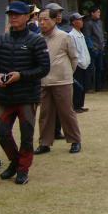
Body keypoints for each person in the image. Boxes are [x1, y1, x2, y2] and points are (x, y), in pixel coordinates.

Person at [0, 1, 50, 185]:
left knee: (27, 135)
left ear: (26, 17)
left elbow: (44, 68)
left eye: (17, 14)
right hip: (5, 96)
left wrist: (21, 76)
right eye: (11, 14)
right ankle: (15, 162)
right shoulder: (1, 40)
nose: (13, 17)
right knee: (2, 133)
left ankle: (23, 169)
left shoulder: (36, 40)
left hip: (27, 96)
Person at [35, 9, 82, 154]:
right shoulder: (37, 38)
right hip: (43, 81)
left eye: (46, 19)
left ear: (55, 20)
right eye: (40, 19)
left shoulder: (64, 37)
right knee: (45, 113)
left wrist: (67, 73)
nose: (42, 22)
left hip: (62, 81)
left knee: (66, 112)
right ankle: (45, 143)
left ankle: (75, 140)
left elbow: (74, 58)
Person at [68, 12, 91, 114]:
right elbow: (74, 51)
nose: (82, 22)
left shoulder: (81, 34)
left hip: (85, 64)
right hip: (78, 64)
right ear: (73, 22)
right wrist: (78, 62)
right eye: (79, 20)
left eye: (82, 19)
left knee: (83, 85)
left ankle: (80, 104)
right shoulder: (71, 35)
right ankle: (75, 105)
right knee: (77, 86)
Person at [83, 5, 106, 92]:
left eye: (99, 12)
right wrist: (92, 48)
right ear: (92, 13)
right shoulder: (88, 23)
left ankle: (98, 86)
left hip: (100, 48)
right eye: (97, 12)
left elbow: (102, 34)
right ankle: (90, 87)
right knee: (92, 68)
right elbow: (87, 37)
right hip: (93, 49)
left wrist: (103, 44)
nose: (99, 14)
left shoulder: (100, 22)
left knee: (100, 68)